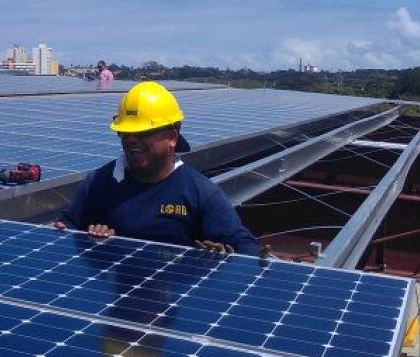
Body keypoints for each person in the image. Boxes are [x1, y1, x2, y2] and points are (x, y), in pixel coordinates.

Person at [52, 81, 263, 256]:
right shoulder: (101, 182)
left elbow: (244, 245)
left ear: (172, 137)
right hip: (113, 297)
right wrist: (88, 239)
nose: (131, 141)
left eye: (143, 134)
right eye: (125, 134)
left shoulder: (199, 192)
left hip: (176, 296)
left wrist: (238, 258)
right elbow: (67, 226)